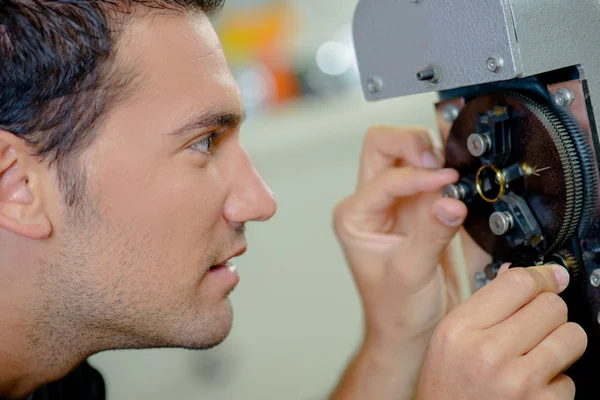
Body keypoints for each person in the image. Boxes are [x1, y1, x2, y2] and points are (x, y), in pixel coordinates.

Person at [0, 1, 587, 399]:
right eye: (204, 141)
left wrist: (394, 338)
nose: (260, 201)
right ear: (19, 188)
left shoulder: (58, 381)